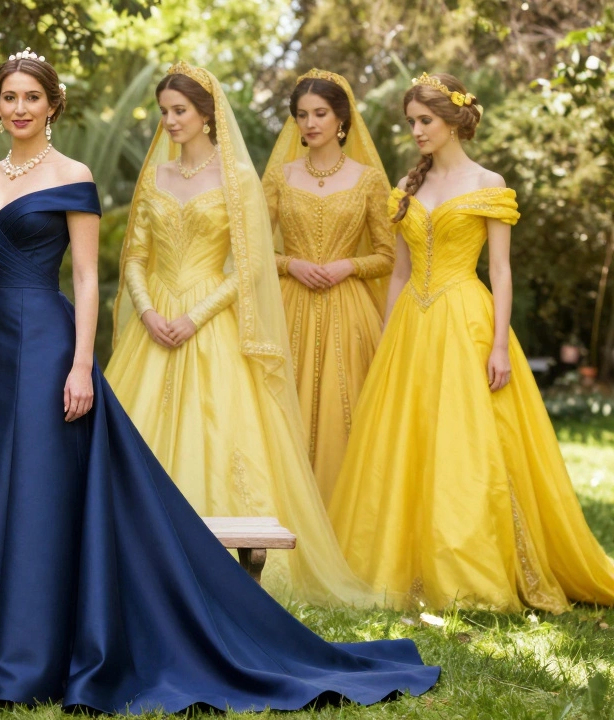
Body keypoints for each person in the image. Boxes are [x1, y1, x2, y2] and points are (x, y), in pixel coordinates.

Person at [0, 52, 438, 714]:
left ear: (51, 105)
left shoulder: (74, 175)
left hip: (46, 343)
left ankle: (31, 657)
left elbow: (92, 278)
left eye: (30, 97)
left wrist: (78, 364)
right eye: (8, 97)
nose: (17, 108)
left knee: (39, 492)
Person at [330, 72, 614, 613]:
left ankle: (471, 565)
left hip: (468, 319)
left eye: (425, 121)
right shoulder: (407, 187)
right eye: (411, 121)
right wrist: (387, 335)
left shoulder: (487, 181)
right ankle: (401, 563)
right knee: (408, 441)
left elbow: (501, 271)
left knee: (468, 441)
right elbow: (397, 273)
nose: (416, 130)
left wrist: (501, 345)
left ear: (454, 121)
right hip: (411, 321)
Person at [104, 65, 377, 606]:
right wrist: (148, 308)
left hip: (208, 322)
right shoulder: (154, 178)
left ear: (207, 114)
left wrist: (194, 316)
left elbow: (249, 267)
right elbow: (135, 254)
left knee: (222, 435)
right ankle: (131, 556)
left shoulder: (238, 180)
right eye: (164, 111)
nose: (170, 121)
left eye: (179, 110)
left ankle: (227, 563)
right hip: (155, 318)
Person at [263, 69, 394, 500]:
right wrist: (291, 264)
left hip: (350, 312)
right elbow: (253, 249)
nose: (311, 123)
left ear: (342, 118)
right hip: (288, 307)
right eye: (302, 115)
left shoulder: (370, 180)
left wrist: (349, 266)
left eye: (320, 113)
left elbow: (388, 255)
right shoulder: (279, 177)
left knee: (348, 411)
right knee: (283, 410)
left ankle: (346, 518)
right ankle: (290, 513)